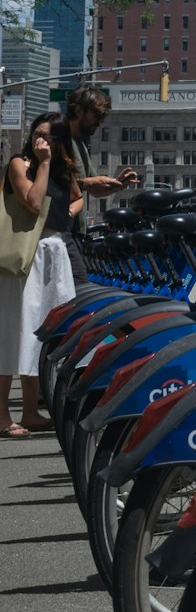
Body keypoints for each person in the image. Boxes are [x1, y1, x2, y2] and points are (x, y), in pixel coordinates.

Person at [0, 114, 79, 437]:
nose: (39, 141)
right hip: (25, 257)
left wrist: (66, 214)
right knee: (14, 332)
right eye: (36, 135)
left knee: (45, 331)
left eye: (47, 136)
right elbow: (33, 201)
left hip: (53, 253)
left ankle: (31, 410)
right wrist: (43, 163)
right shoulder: (20, 164)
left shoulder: (64, 169)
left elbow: (76, 198)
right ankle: (2, 415)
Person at [65, 85, 138, 280]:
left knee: (72, 289)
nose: (99, 122)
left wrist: (117, 184)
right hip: (60, 229)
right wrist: (92, 181)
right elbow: (56, 184)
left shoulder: (80, 144)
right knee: (78, 284)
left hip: (75, 231)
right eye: (97, 115)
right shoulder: (59, 139)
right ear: (79, 111)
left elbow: (94, 189)